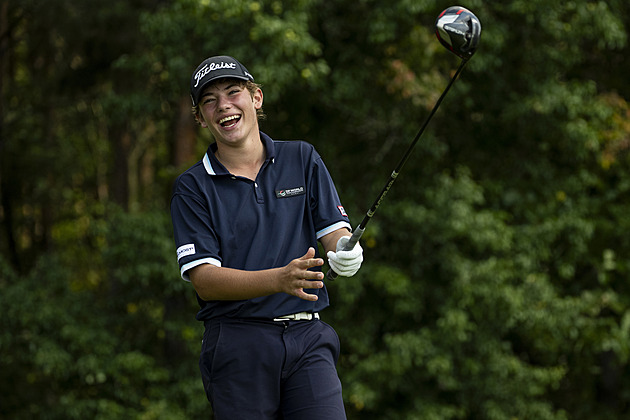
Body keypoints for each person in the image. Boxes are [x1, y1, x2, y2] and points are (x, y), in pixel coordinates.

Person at [170, 55, 364, 420]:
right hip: (237, 343)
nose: (223, 105)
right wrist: (279, 279)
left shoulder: (301, 157)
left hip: (307, 336)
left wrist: (345, 250)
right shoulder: (192, 187)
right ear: (200, 118)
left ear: (256, 97)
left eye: (233, 92)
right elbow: (205, 280)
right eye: (209, 100)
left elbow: (334, 231)